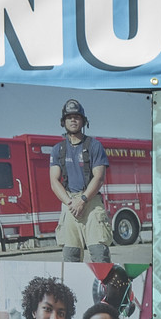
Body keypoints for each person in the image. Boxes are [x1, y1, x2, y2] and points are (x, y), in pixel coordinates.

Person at [48, 99, 111, 263]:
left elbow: (99, 177)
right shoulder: (58, 149)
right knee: (70, 256)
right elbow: (54, 181)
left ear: (83, 121)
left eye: (77, 117)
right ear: (64, 122)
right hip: (69, 204)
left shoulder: (95, 146)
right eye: (69, 117)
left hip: (91, 202)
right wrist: (70, 202)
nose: (73, 120)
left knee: (100, 255)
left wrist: (82, 200)